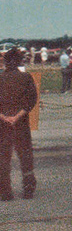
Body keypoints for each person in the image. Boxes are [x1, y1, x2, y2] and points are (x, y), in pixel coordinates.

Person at [0, 47, 38, 200]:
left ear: (5, 62)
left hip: (2, 125)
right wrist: (17, 117)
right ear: (19, 62)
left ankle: (5, 191)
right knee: (25, 156)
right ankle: (28, 188)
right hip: (21, 124)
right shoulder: (26, 77)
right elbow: (31, 100)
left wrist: (4, 117)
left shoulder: (0, 79)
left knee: (3, 157)